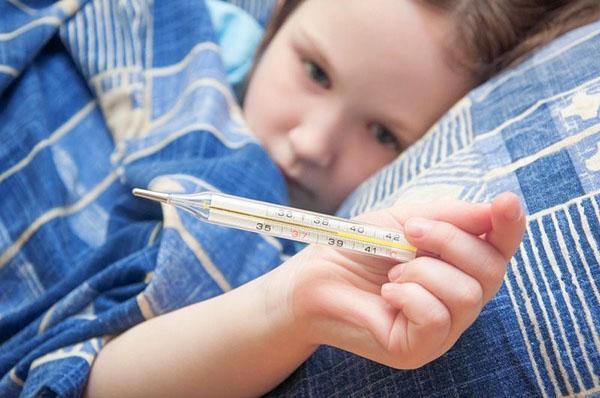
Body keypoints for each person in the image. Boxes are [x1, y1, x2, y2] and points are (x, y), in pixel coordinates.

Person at [82, 0, 599, 397]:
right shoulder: (193, 45)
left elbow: (83, 379)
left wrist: (291, 306)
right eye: (315, 72)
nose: (310, 144)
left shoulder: (345, 254)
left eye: (381, 133)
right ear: (280, 18)